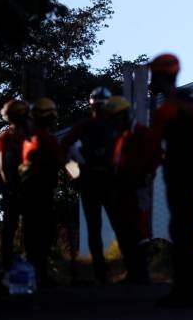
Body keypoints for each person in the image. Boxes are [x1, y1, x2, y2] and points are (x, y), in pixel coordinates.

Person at [147, 53, 193, 308]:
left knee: (181, 230)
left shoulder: (168, 109)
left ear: (161, 75)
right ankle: (186, 288)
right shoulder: (192, 104)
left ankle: (184, 291)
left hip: (180, 175)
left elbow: (153, 146)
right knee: (186, 228)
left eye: (153, 74)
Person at [61, 86, 118, 283]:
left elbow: (63, 151)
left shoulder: (85, 127)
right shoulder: (115, 127)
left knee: (95, 228)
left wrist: (75, 175)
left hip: (91, 183)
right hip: (107, 182)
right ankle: (132, 269)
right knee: (119, 225)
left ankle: (101, 271)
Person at [109, 94, 159, 284]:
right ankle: (132, 271)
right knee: (125, 231)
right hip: (122, 189)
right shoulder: (122, 136)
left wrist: (146, 175)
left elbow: (155, 156)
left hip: (136, 188)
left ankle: (141, 273)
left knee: (138, 230)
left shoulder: (141, 133)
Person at [19, 97, 65, 288]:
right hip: (42, 194)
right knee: (44, 233)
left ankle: (34, 272)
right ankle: (40, 274)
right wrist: (80, 176)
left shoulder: (28, 140)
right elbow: (64, 161)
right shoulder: (47, 139)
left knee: (31, 234)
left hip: (28, 194)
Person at [0, 99, 30, 272]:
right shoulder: (5, 139)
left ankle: (24, 266)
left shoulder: (7, 138)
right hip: (15, 191)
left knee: (17, 228)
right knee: (12, 228)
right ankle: (10, 266)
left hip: (21, 191)